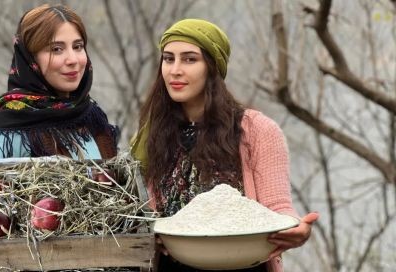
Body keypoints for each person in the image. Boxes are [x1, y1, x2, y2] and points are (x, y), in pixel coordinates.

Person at [130, 19, 319, 272]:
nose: (175, 70)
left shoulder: (258, 130)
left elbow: (278, 208)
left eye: (189, 59)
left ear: (212, 67)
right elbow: (142, 213)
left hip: (243, 265)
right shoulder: (151, 135)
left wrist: (297, 228)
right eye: (168, 59)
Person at [0, 4, 117, 164]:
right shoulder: (5, 135)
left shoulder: (92, 117)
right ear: (30, 59)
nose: (73, 60)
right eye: (56, 49)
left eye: (78, 46)